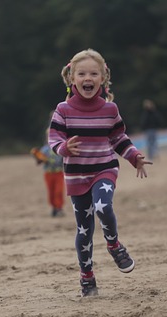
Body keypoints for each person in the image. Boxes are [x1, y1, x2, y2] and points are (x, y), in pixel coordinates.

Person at [49, 48, 152, 297]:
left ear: (103, 78)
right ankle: (87, 277)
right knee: (84, 228)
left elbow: (119, 138)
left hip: (103, 169)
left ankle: (114, 245)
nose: (88, 78)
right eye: (82, 73)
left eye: (94, 73)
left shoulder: (110, 109)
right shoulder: (63, 110)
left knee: (104, 207)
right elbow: (54, 138)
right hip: (76, 175)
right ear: (72, 78)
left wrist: (134, 157)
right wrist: (64, 148)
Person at [31, 125, 65, 217]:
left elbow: (64, 159)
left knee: (59, 191)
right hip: (48, 173)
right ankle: (54, 207)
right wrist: (37, 156)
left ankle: (59, 208)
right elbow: (39, 162)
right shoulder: (44, 149)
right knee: (51, 192)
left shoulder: (59, 147)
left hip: (59, 172)